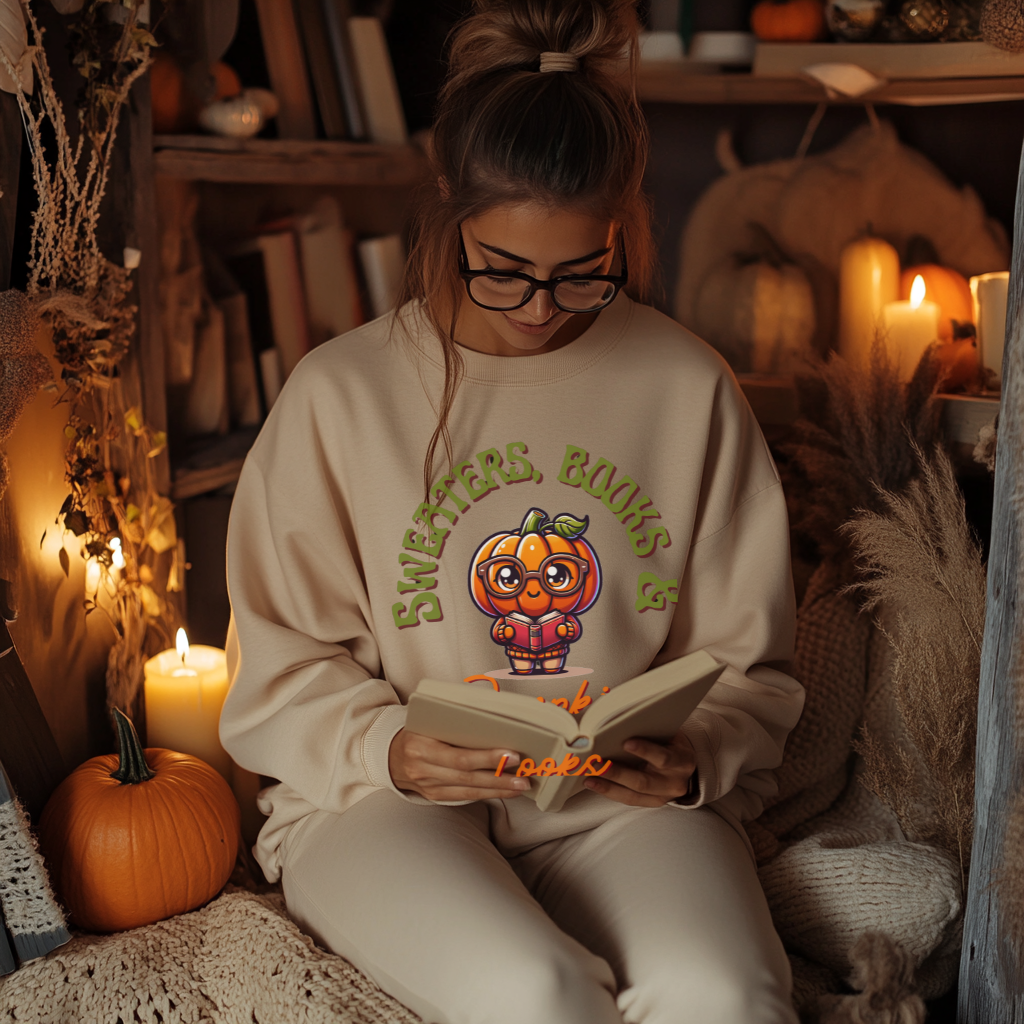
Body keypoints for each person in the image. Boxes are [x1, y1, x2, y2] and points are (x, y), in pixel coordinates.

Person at [219, 2, 806, 1021]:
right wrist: (388, 745)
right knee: (533, 993)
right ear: (447, 207)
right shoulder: (340, 393)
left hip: (612, 801)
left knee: (727, 993)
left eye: (582, 273)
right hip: (383, 802)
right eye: (504, 270)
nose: (540, 304)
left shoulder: (685, 384)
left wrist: (693, 754)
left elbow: (747, 662)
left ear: (626, 223)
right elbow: (280, 664)